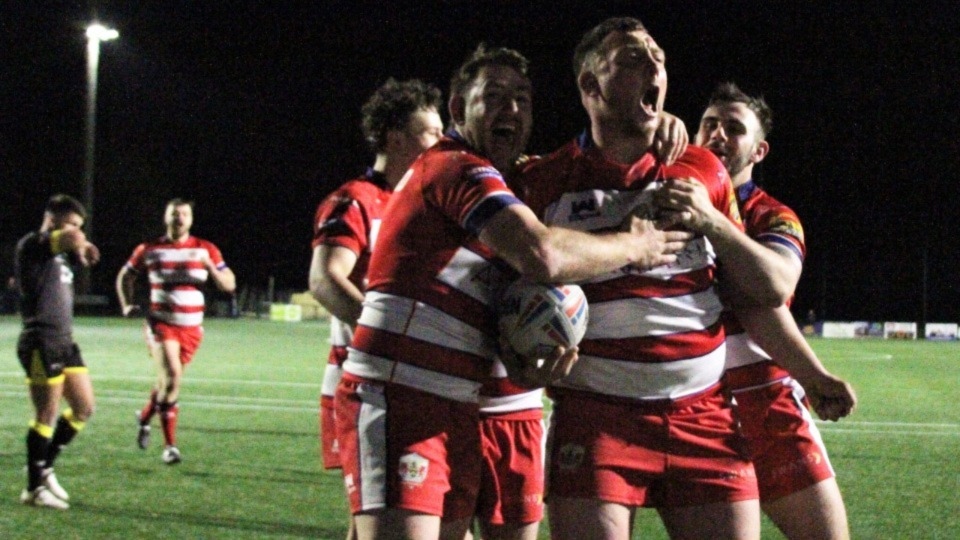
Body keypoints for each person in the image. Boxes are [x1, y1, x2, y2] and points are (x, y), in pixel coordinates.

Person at [334, 44, 693, 540]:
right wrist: (636, 244)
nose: (513, 110)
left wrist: (651, 123)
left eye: (522, 98)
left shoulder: (514, 182)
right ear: (458, 110)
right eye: (496, 97)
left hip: (459, 402)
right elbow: (542, 256)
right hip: (402, 391)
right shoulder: (455, 166)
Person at [516, 17, 801, 539]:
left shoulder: (703, 171)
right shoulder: (544, 182)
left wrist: (815, 373)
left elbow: (754, 296)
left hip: (706, 416)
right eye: (631, 59)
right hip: (596, 420)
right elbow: (508, 298)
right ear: (589, 86)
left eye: (659, 58)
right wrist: (522, 360)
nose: (655, 67)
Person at [693, 81, 855, 539]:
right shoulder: (666, 199)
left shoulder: (774, 217)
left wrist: (813, 375)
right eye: (708, 124)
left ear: (759, 150)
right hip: (697, 405)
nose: (718, 135)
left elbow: (771, 287)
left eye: (733, 128)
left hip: (768, 401)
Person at [309, 77, 444, 540]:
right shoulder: (356, 199)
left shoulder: (425, 202)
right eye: (430, 132)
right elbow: (325, 280)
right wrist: (392, 334)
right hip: (365, 383)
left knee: (371, 522)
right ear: (395, 137)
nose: (441, 142)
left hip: (412, 385)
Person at [116, 198, 236, 465]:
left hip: (192, 329)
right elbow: (125, 275)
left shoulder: (206, 249)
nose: (179, 218)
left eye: (184, 214)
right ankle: (170, 447)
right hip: (161, 324)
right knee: (171, 380)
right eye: (174, 214)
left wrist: (211, 270)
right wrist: (127, 304)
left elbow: (229, 284)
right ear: (166, 218)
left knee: (166, 384)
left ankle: (145, 417)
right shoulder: (149, 249)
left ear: (191, 219)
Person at [15, 194, 100, 509]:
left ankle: (44, 466)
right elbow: (75, 237)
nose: (78, 230)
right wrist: (80, 242)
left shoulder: (60, 256)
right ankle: (33, 490)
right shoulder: (33, 245)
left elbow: (74, 238)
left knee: (84, 408)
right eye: (73, 222)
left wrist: (78, 248)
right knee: (46, 413)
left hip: (65, 342)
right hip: (40, 340)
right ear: (52, 220)